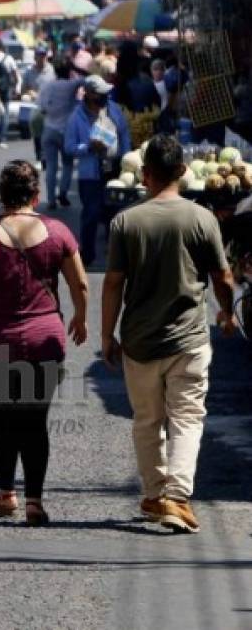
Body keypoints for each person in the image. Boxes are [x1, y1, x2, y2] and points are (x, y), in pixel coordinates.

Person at [101, 134, 236, 534]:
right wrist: (228, 312)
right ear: (182, 171)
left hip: (139, 341)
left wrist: (107, 335)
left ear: (145, 175)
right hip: (189, 340)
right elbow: (223, 276)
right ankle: (176, 497)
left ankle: (155, 494)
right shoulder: (201, 218)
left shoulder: (126, 221)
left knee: (147, 420)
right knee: (187, 418)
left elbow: (112, 284)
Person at [0, 161, 89, 526]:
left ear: (0, 196)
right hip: (44, 339)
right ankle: (34, 502)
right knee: (35, 420)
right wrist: (80, 317)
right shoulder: (58, 232)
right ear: (36, 195)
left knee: (3, 415)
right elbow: (81, 284)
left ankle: (7, 492)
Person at [65, 74, 131, 266]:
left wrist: (125, 157)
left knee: (115, 212)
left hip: (114, 169)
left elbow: (124, 133)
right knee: (91, 214)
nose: (105, 95)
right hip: (90, 174)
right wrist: (88, 147)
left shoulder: (113, 109)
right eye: (100, 92)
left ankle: (115, 252)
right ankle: (87, 255)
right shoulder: (76, 118)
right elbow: (69, 147)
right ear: (90, 94)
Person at [39, 59, 81, 210]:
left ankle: (51, 199)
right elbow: (88, 79)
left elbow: (42, 109)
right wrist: (75, 67)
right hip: (66, 130)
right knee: (68, 164)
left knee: (51, 166)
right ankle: (63, 192)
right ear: (69, 72)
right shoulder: (71, 85)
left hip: (49, 128)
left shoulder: (48, 86)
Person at [23, 43, 56, 166]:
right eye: (39, 55)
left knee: (49, 133)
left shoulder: (52, 70)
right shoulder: (29, 72)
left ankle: (47, 156)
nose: (41, 58)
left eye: (43, 55)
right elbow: (23, 89)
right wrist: (28, 92)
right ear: (35, 57)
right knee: (38, 133)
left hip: (51, 106)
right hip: (35, 107)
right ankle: (40, 157)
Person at [0, 38, 22, 148]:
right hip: (5, 88)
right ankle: (2, 138)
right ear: (2, 46)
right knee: (5, 113)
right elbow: (16, 75)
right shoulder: (8, 58)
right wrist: (17, 88)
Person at [113, 41, 160, 115]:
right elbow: (157, 102)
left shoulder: (123, 83)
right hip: (148, 120)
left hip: (132, 120)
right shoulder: (146, 78)